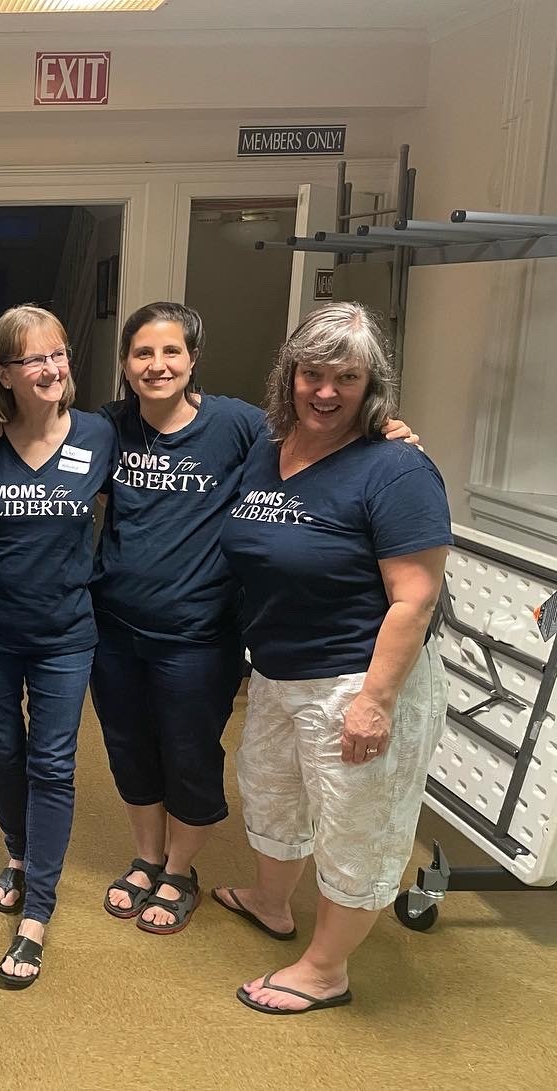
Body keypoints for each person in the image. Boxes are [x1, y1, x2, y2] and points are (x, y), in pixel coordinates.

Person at [88, 302, 416, 936]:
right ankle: (146, 856)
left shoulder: (238, 425)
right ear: (124, 364)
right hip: (116, 628)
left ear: (192, 359)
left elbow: (322, 436)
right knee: (128, 747)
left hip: (199, 632)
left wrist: (384, 432)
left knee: (188, 752)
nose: (157, 365)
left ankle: (179, 870)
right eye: (142, 353)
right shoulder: (108, 427)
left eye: (171, 352)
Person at [217, 302, 449, 1014]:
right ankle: (271, 901)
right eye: (312, 373)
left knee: (355, 823)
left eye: (345, 377)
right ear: (288, 375)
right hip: (279, 668)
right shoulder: (269, 448)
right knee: (273, 793)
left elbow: (415, 598)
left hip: (358, 677)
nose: (325, 391)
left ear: (371, 383)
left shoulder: (397, 468)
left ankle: (326, 970)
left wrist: (374, 701)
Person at [0, 305, 115, 987]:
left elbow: (189, 432)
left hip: (65, 633)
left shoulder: (100, 434)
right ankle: (19, 854)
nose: (53, 368)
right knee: (3, 749)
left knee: (53, 763)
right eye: (35, 358)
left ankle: (38, 914)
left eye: (59, 354)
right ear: (4, 372)